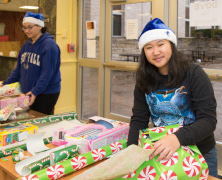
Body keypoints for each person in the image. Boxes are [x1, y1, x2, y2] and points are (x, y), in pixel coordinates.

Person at [127, 18, 218, 177]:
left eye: (160, 44)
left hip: (199, 153)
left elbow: (208, 120)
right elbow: (139, 120)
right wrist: (131, 152)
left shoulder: (194, 74)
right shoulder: (144, 78)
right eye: (149, 47)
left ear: (171, 45)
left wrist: (177, 138)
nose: (155, 52)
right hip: (163, 154)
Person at [3, 11, 61, 115]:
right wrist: (4, 85)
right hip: (29, 92)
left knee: (39, 121)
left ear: (39, 26)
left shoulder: (49, 46)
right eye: (24, 28)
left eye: (30, 27)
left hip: (45, 93)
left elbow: (47, 74)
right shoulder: (26, 46)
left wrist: (35, 91)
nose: (26, 30)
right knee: (28, 122)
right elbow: (18, 71)